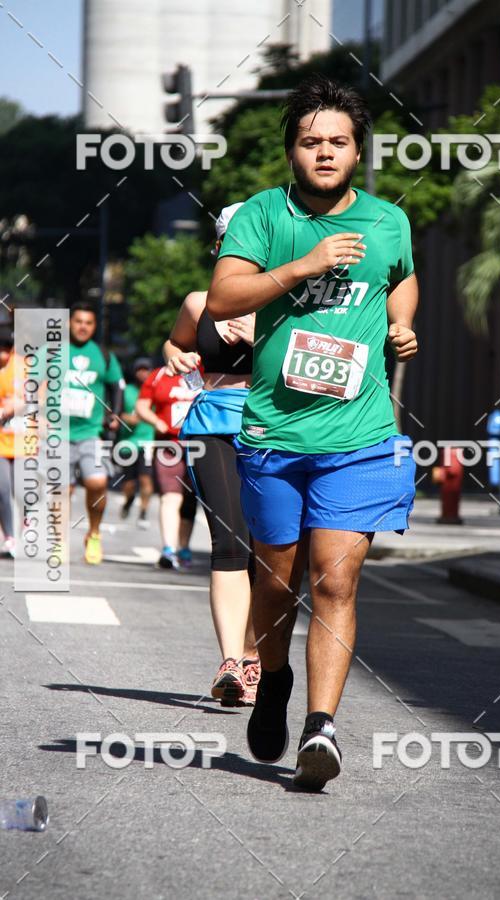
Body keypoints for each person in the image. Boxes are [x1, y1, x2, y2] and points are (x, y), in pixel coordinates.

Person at [207, 75, 419, 789]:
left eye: (338, 142)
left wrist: (401, 322)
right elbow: (223, 297)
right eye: (310, 142)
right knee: (275, 585)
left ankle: (320, 728)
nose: (324, 152)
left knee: (335, 580)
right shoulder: (263, 215)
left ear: (358, 152)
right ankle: (273, 678)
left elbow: (401, 276)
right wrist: (303, 265)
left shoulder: (388, 220)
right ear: (291, 151)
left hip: (360, 435)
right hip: (275, 433)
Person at [163, 202, 260, 707]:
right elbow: (173, 343)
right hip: (212, 425)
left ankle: (255, 654)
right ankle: (231, 664)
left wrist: (263, 338)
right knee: (230, 541)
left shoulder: (284, 302)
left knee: (270, 549)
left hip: (272, 427)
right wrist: (176, 356)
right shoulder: (198, 302)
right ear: (218, 247)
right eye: (230, 241)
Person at [65, 302, 124, 564]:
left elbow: (117, 385)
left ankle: (94, 533)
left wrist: (115, 415)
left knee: (98, 483)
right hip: (58, 432)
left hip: (92, 432)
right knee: (61, 488)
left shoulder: (103, 354)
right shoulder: (53, 351)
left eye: (88, 323)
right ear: (70, 323)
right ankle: (59, 540)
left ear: (94, 326)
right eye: (78, 321)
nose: (83, 327)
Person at [135, 364, 197, 569]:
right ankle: (168, 549)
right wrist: (156, 421)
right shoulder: (159, 375)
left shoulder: (200, 370)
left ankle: (184, 547)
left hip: (198, 445)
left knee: (190, 499)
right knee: (171, 496)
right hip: (168, 445)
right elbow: (142, 406)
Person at [118, 357, 154, 529]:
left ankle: (143, 512)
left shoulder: (154, 390)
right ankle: (128, 500)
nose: (143, 373)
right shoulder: (126, 391)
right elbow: (115, 412)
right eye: (140, 369)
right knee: (130, 483)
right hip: (128, 443)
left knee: (146, 479)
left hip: (147, 442)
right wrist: (127, 418)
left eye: (146, 369)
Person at [0, 327, 25, 558]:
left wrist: (17, 405)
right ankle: (9, 536)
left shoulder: (24, 367)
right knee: (2, 488)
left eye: (7, 349)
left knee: (22, 490)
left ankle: (27, 523)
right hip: (1, 442)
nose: (3, 355)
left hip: (23, 440)